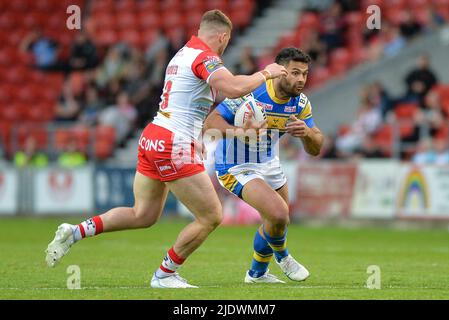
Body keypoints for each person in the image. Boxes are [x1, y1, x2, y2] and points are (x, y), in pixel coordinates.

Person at [45, 10, 288, 289]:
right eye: (226, 41)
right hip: (173, 142)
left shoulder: (182, 54)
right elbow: (233, 88)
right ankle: (165, 274)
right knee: (211, 216)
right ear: (222, 36)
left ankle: (74, 232)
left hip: (154, 136)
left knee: (143, 214)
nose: (225, 47)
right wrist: (265, 73)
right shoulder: (204, 56)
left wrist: (196, 136)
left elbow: (184, 102)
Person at [204, 48, 323, 283]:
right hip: (235, 166)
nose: (300, 79)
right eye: (295, 73)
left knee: (277, 222)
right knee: (278, 214)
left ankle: (257, 274)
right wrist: (242, 132)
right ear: (279, 72)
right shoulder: (252, 92)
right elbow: (210, 124)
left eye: (305, 74)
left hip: (268, 162)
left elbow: (316, 148)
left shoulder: (300, 103)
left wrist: (307, 133)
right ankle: (284, 257)